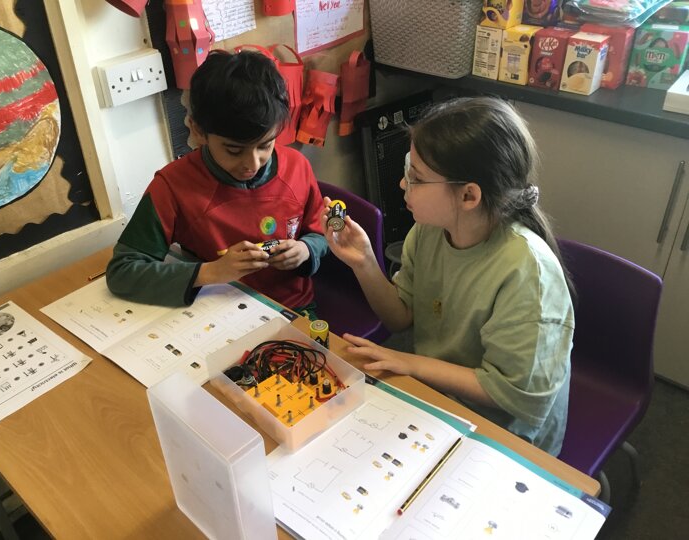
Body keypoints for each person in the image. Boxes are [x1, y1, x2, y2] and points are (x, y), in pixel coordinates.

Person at [322, 97, 574, 456]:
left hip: (503, 432)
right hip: (438, 394)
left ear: (469, 195)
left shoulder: (527, 273)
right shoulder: (430, 230)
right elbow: (400, 317)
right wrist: (364, 262)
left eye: (416, 177)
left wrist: (411, 363)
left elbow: (512, 395)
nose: (402, 183)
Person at [106, 50, 328, 317]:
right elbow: (122, 273)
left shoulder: (296, 166)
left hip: (291, 309)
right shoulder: (173, 186)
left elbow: (323, 234)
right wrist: (211, 272)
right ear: (198, 131)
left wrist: (306, 249)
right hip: (215, 314)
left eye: (265, 145)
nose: (252, 164)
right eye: (234, 150)